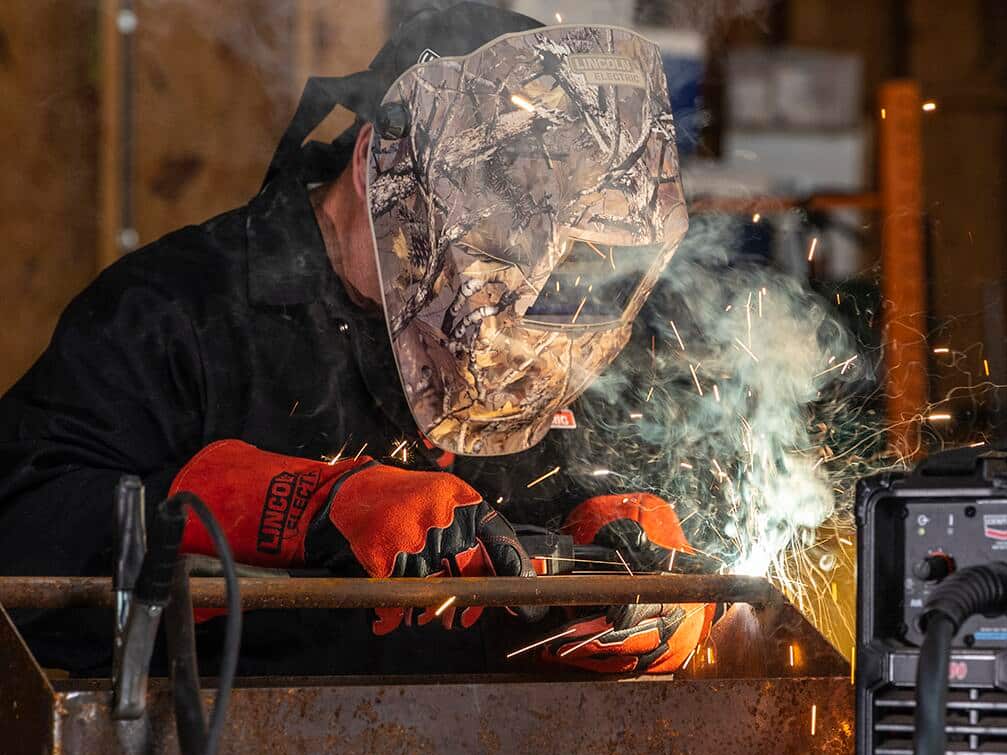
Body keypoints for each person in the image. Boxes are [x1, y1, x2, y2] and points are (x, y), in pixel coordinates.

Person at [0, 2, 715, 677]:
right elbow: (21, 536)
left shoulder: (565, 320)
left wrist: (649, 565)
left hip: (495, 753)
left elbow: (660, 497)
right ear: (379, 162)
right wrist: (298, 509)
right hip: (232, 750)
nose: (519, 286)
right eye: (493, 235)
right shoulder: (180, 309)